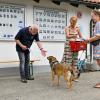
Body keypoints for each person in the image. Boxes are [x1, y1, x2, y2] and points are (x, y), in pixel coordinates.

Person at [86, 9, 100, 88]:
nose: (92, 18)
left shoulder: (98, 23)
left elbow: (98, 36)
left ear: (97, 15)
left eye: (92, 16)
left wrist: (89, 39)